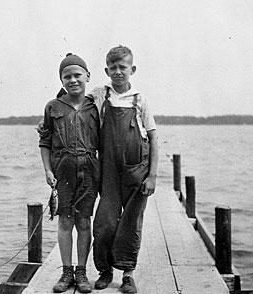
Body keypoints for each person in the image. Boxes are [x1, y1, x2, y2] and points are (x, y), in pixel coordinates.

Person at [90, 45, 159, 293]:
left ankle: (128, 273)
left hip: (137, 171)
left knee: (131, 222)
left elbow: (153, 138)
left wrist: (152, 176)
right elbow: (74, 104)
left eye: (123, 67)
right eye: (113, 68)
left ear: (133, 69)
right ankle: (105, 270)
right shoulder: (100, 96)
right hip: (108, 170)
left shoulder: (140, 99)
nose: (118, 72)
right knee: (105, 222)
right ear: (106, 70)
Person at [38, 53, 100, 293]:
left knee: (84, 221)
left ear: (87, 76)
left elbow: (103, 143)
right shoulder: (52, 107)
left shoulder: (95, 106)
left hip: (89, 169)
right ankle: (66, 272)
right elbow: (44, 141)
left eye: (77, 75)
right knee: (64, 220)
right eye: (67, 76)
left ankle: (82, 272)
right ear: (61, 80)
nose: (73, 80)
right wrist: (47, 170)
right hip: (62, 170)